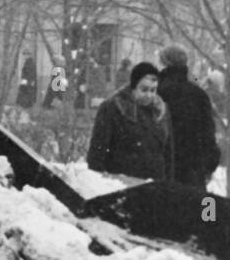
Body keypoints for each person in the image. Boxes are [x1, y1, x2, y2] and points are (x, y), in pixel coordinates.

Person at [86, 61, 173, 180]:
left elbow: (168, 153)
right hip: (121, 182)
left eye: (153, 90)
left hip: (155, 185)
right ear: (133, 87)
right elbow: (97, 151)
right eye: (144, 89)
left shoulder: (161, 111)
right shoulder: (113, 108)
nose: (149, 95)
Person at [157, 45, 221, 189]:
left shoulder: (156, 92)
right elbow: (208, 135)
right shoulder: (198, 94)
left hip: (160, 170)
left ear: (163, 63)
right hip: (193, 170)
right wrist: (209, 166)